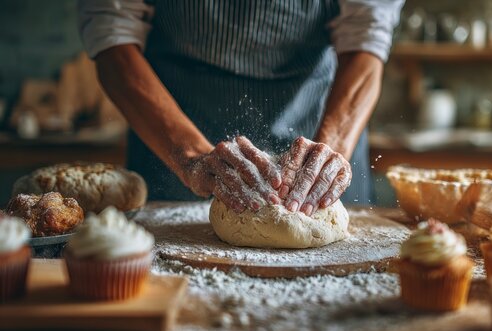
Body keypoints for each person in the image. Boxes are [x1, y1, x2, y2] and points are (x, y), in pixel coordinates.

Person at [78, 0, 403, 215]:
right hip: (172, 129)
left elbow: (366, 40)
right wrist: (188, 156)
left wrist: (328, 155)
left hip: (319, 115)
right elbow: (113, 41)